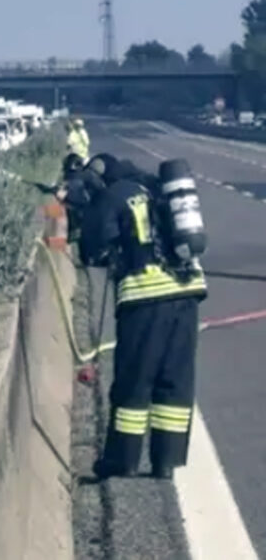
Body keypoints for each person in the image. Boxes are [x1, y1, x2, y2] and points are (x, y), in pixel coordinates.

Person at [78, 153, 208, 480]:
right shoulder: (157, 188)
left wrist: (82, 209)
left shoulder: (114, 195)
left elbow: (92, 250)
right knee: (173, 381)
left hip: (145, 298)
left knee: (134, 381)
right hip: (187, 293)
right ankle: (167, 462)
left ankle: (122, 461)